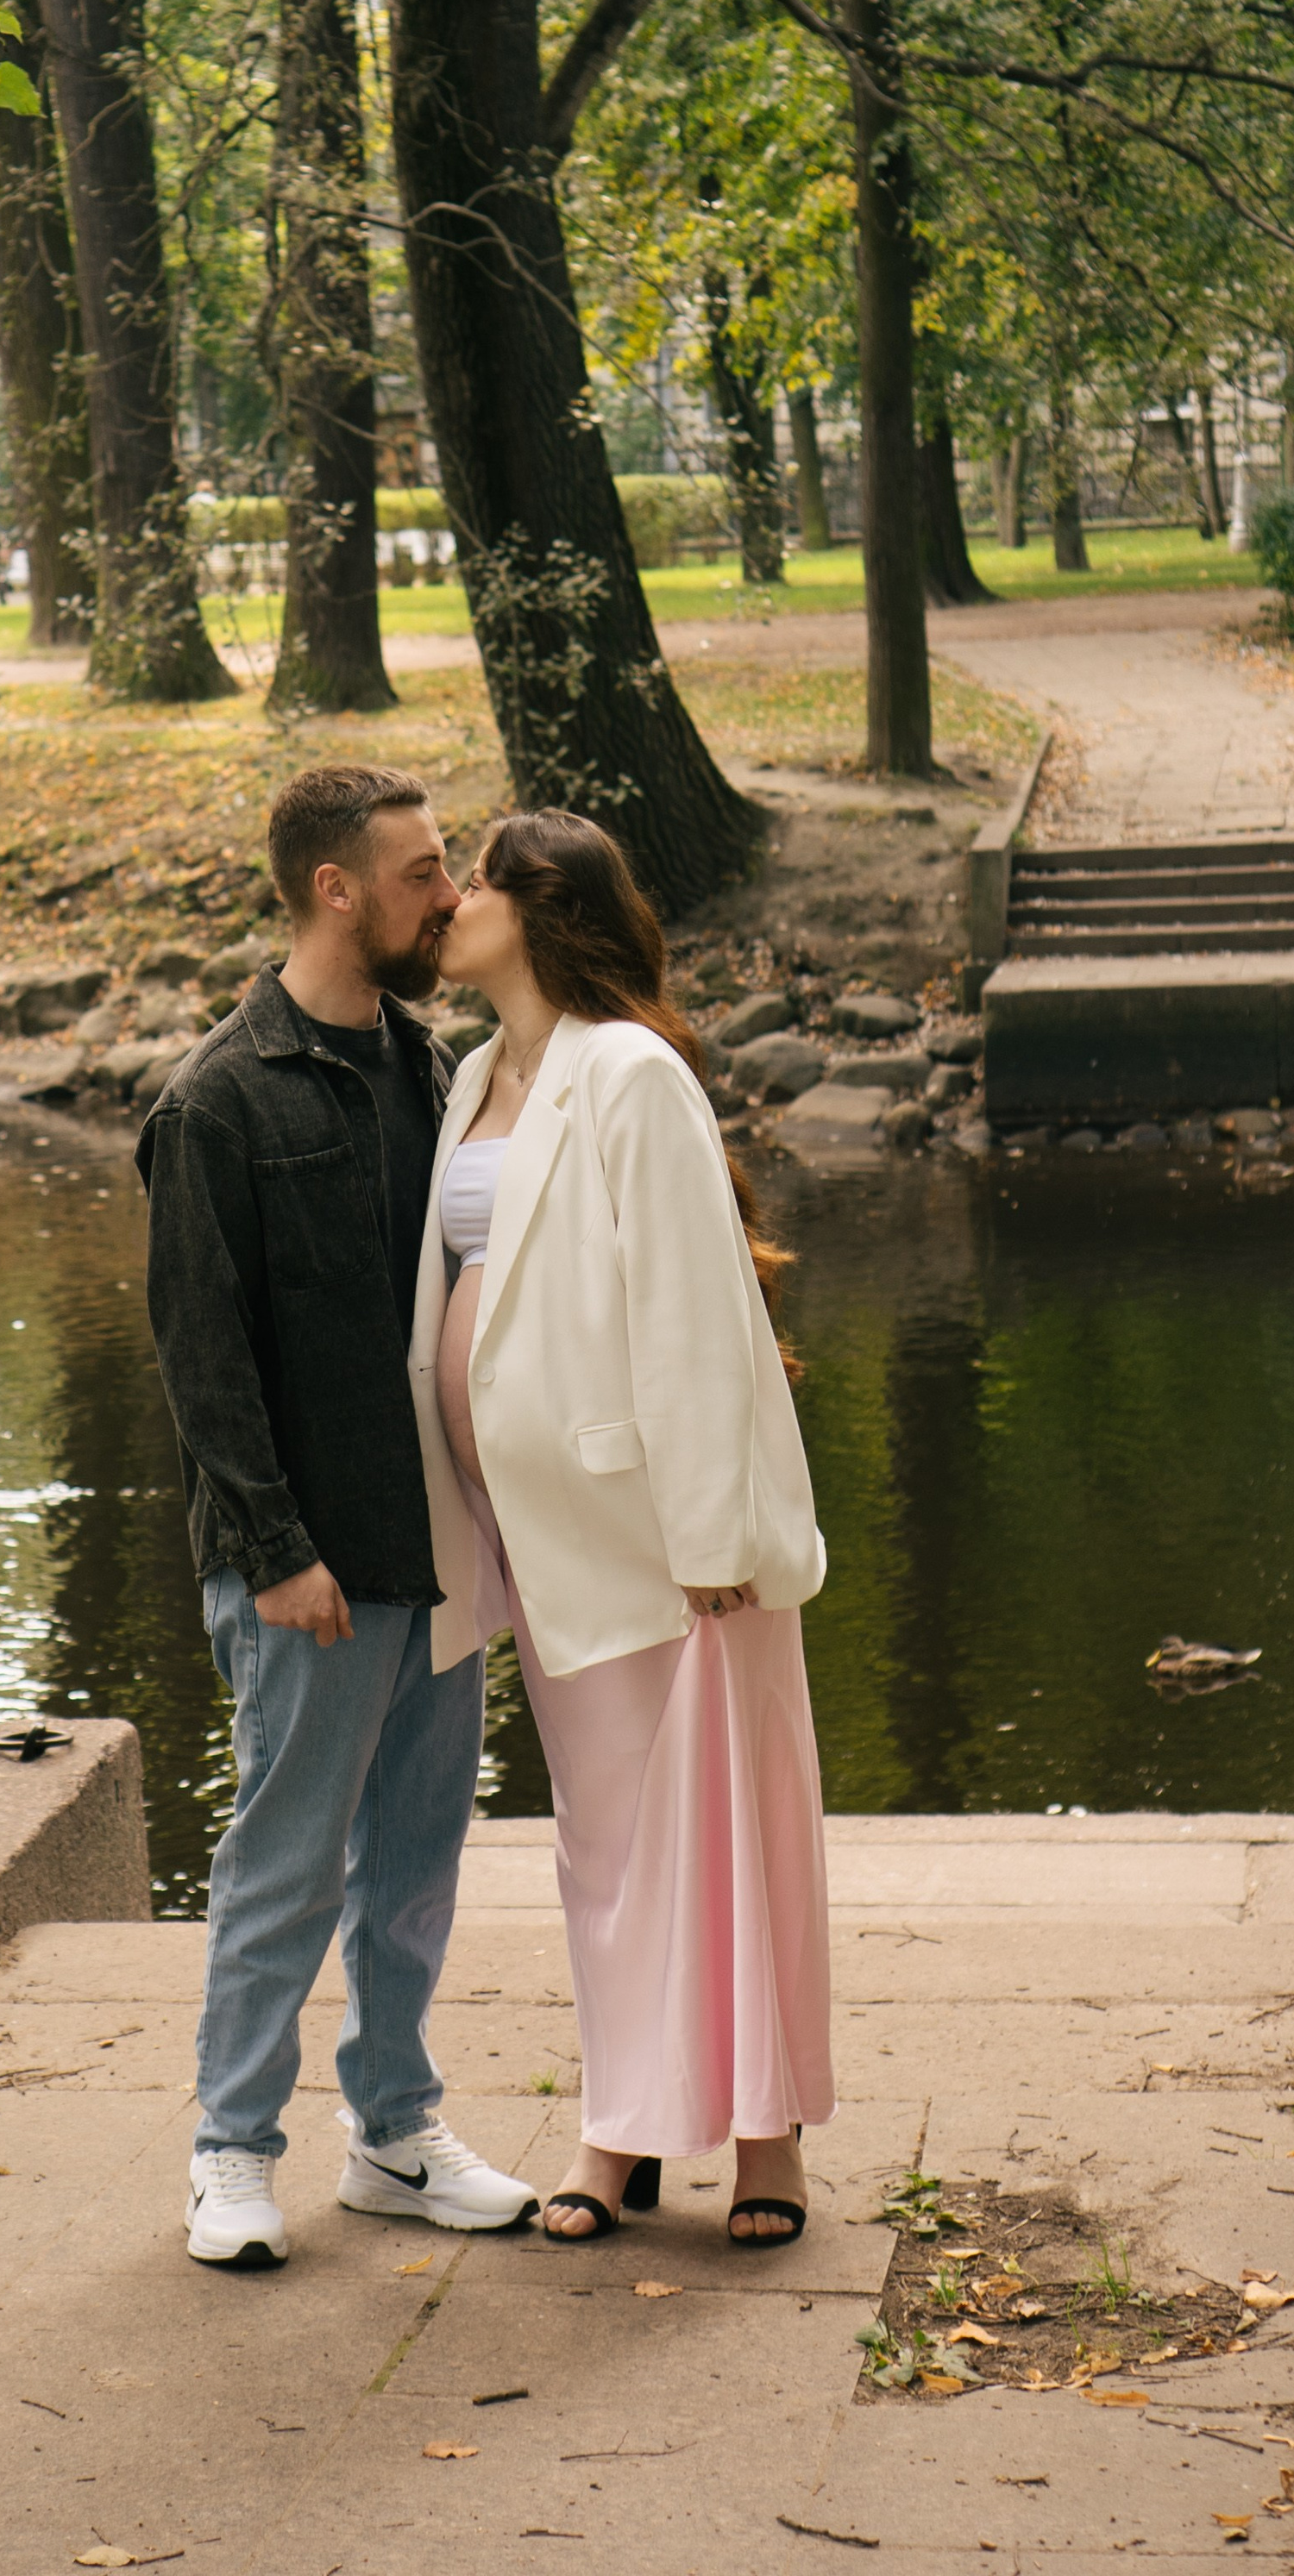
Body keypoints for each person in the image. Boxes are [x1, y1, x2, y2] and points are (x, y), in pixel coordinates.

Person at [410, 808, 835, 2247]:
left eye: (476, 881)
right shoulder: (479, 1073)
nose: (452, 902)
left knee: (722, 1827)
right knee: (604, 1843)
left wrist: (712, 1537)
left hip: (663, 1534)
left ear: (542, 908)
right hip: (539, 1530)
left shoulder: (631, 1072)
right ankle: (625, 2123)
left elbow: (696, 1310)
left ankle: (765, 2139)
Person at [137, 764, 539, 2269]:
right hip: (305, 1570)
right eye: (425, 871)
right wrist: (277, 1551)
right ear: (336, 889)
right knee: (285, 1868)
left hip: (441, 1553)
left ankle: (394, 2135)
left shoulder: (435, 1071)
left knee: (416, 1868)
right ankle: (232, 2153)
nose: (451, 895)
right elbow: (203, 1359)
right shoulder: (216, 1101)